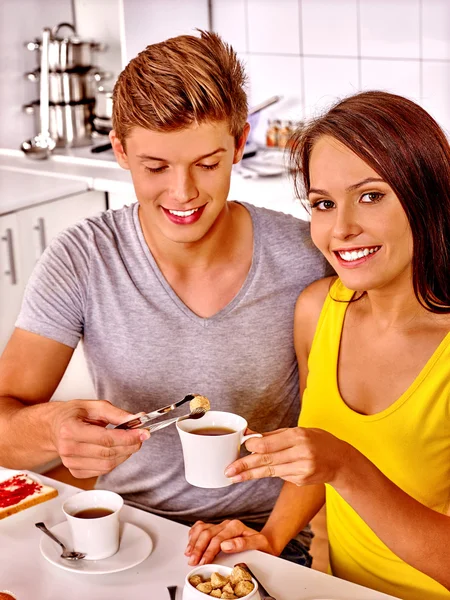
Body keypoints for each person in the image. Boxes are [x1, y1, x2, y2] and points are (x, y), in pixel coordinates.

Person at [0, 31, 330, 566]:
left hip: (264, 536)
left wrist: (271, 535)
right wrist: (53, 430)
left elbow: (330, 430)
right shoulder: (82, 258)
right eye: (156, 167)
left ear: (240, 143)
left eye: (207, 163)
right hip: (127, 528)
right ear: (122, 151)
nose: (182, 194)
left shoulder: (305, 257)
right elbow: (4, 422)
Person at [185, 91, 450, 599]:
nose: (341, 229)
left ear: (427, 194)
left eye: (371, 196)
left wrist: (347, 467)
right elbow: (314, 455)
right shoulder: (318, 311)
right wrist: (271, 538)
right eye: (323, 203)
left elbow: (334, 462)